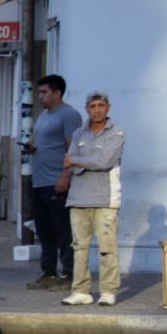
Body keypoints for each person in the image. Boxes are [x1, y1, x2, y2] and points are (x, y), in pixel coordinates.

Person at [61, 92, 125, 307]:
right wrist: (81, 162)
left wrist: (77, 161)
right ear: (86, 109)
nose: (97, 110)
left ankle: (108, 290)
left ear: (108, 107)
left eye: (101, 105)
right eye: (92, 106)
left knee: (107, 247)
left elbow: (104, 161)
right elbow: (69, 161)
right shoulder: (79, 133)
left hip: (105, 199)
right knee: (79, 247)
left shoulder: (116, 134)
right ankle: (81, 290)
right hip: (78, 198)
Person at [23, 75, 83, 291]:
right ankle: (48, 273)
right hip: (40, 182)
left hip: (56, 181)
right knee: (44, 230)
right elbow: (48, 144)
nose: (40, 96)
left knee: (63, 230)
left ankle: (69, 274)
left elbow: (73, 148)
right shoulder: (44, 116)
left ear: (57, 93)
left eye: (44, 92)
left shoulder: (69, 115)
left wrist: (65, 177)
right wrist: (32, 149)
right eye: (40, 93)